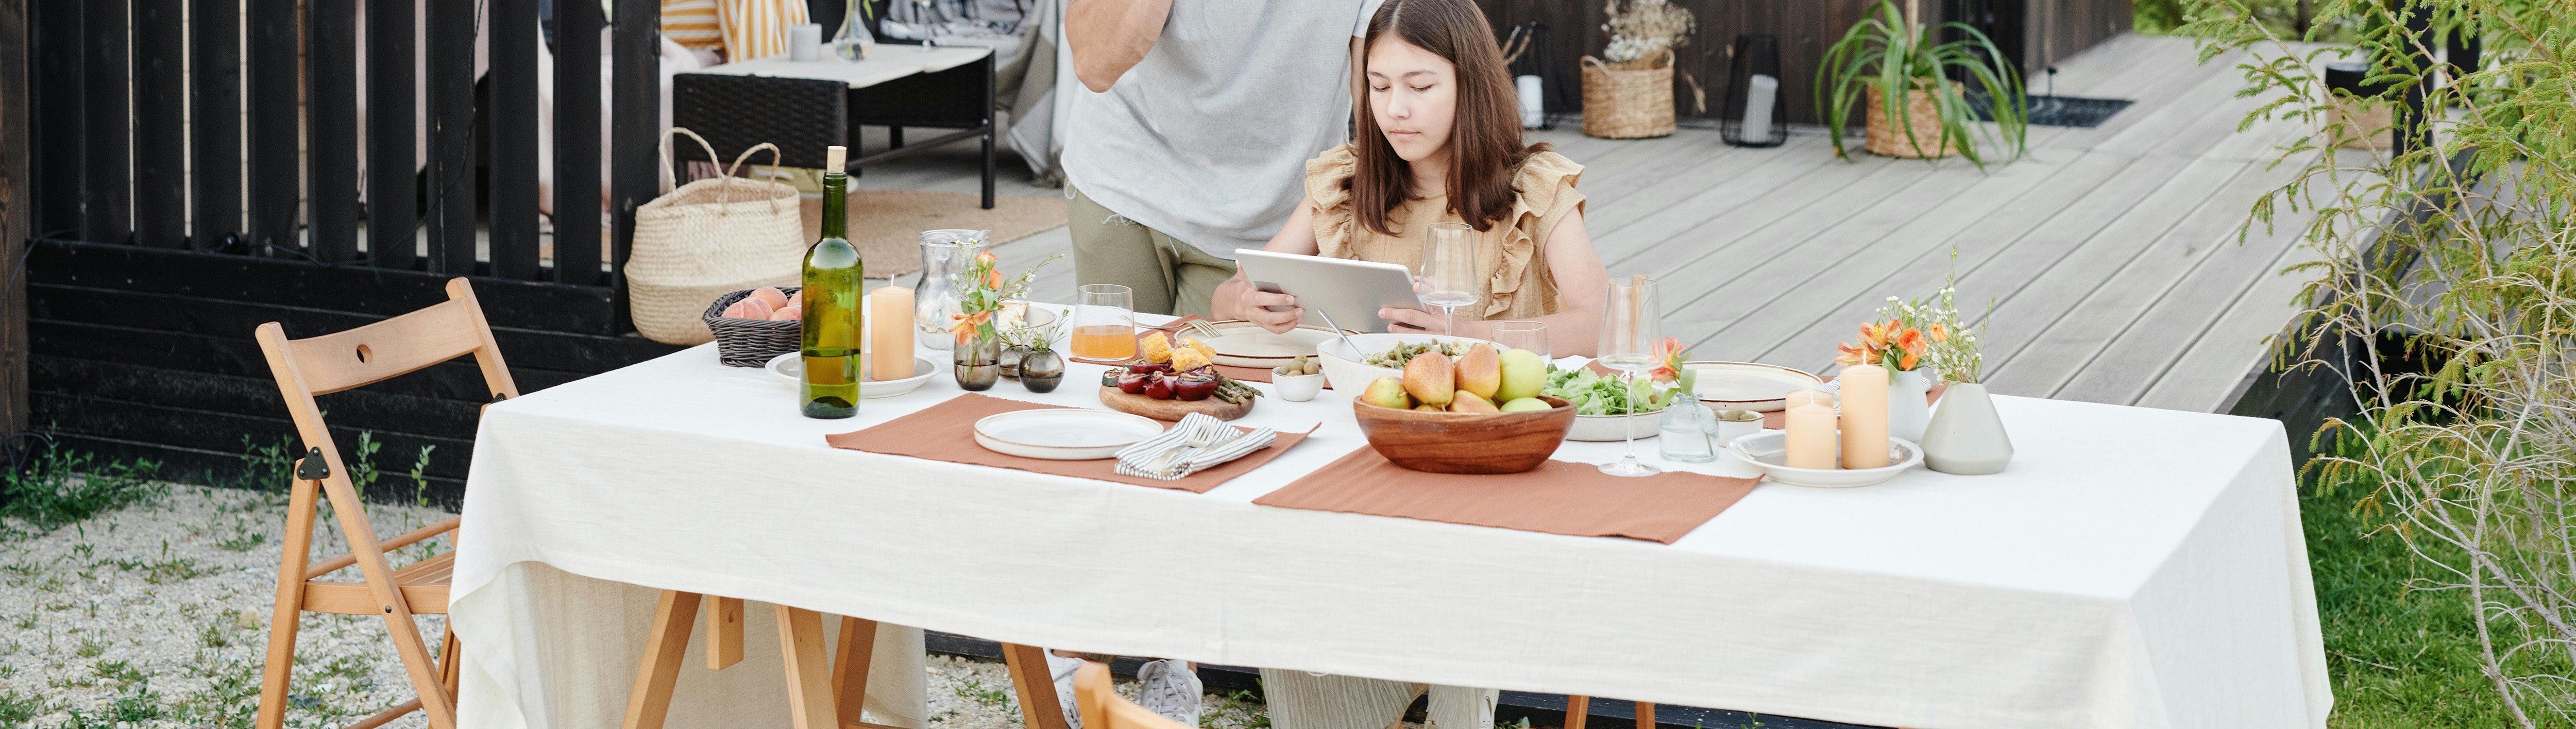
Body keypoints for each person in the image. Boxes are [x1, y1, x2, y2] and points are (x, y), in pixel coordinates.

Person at [1207, 0, 1609, 357]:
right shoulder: (1344, 182)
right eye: (1379, 87)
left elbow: (1602, 323)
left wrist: (1464, 335)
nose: (1395, 108)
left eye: (1420, 87)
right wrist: (1246, 304)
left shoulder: (1533, 187)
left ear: (1470, 85)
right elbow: (1225, 299)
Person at [1061, 0, 1381, 317]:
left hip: (1274, 212)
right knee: (1112, 366)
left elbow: (1378, 92)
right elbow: (1095, 66)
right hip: (1123, 178)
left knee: (1229, 368)